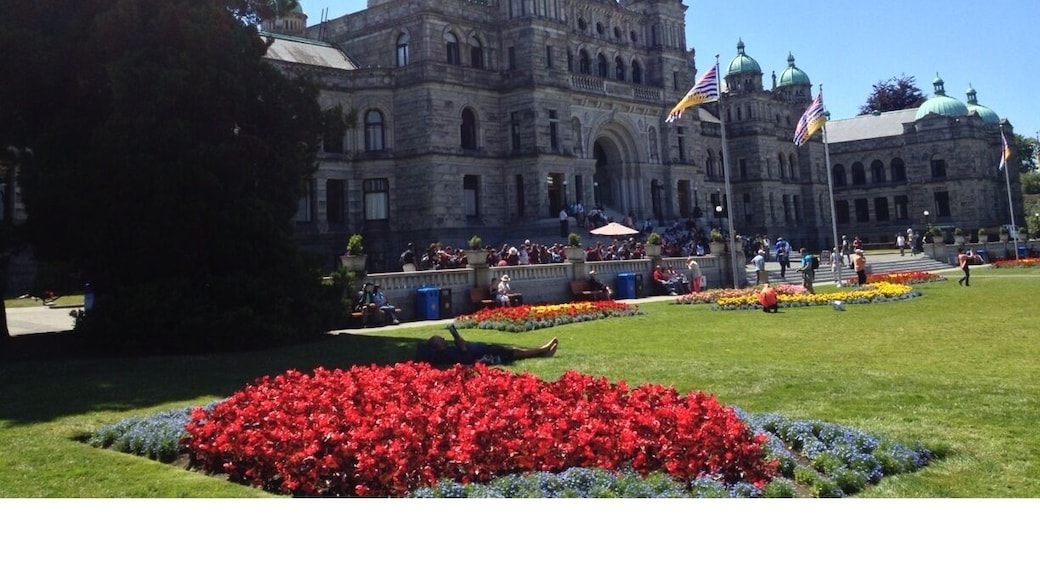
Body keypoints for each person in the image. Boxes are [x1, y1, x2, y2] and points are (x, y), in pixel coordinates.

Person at [416, 324, 558, 365]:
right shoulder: (447, 353)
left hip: (482, 350)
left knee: (514, 351)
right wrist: (458, 339)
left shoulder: (447, 351)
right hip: (484, 355)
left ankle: (542, 351)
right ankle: (543, 350)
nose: (442, 338)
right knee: (514, 352)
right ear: (437, 346)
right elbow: (465, 355)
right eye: (439, 339)